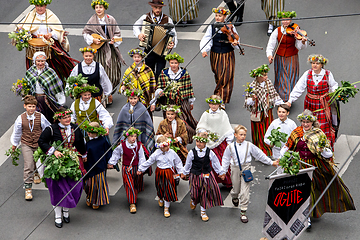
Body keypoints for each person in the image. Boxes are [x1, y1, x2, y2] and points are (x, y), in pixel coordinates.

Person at [280, 110, 355, 228]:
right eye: (303, 122)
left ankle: (307, 217)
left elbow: (328, 154)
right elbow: (288, 146)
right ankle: (299, 213)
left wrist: (323, 150)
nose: (305, 124)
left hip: (314, 166)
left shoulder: (318, 134)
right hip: (298, 166)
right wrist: (283, 154)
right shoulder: (296, 132)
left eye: (308, 122)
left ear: (312, 122)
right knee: (299, 191)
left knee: (310, 191)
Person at [38, 107, 87, 228]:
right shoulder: (51, 129)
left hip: (72, 161)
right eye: (65, 117)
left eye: (69, 117)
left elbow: (80, 142)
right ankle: (58, 215)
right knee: (58, 190)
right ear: (59, 118)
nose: (68, 119)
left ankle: (66, 210)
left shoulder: (75, 128)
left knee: (74, 187)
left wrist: (84, 154)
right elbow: (42, 141)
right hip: (57, 163)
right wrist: (53, 151)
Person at [222, 125, 279, 223]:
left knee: (245, 190)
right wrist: (223, 171)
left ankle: (243, 211)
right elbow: (226, 159)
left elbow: (259, 154)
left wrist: (270, 162)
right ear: (235, 135)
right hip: (235, 168)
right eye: (240, 134)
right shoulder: (231, 147)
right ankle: (234, 196)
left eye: (244, 135)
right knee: (235, 188)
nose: (243, 137)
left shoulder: (249, 145)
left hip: (246, 168)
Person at [286, 54, 338, 148]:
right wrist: (290, 100)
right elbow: (299, 88)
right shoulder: (307, 74)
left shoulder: (327, 74)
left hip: (323, 104)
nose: (314, 65)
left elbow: (334, 85)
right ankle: (309, 147)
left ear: (322, 65)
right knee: (308, 124)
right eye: (313, 63)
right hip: (310, 104)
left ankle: (325, 148)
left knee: (322, 125)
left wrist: (335, 92)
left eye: (317, 63)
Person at [20, 0, 78, 82]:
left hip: (48, 46)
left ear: (46, 5)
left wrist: (50, 34)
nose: (39, 8)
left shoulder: (51, 16)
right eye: (37, 6)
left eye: (42, 6)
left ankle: (64, 83)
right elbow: (22, 27)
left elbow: (59, 30)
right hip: (34, 48)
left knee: (58, 65)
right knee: (33, 69)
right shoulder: (30, 15)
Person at [83, 0, 126, 104]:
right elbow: (85, 32)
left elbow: (117, 33)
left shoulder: (110, 19)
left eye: (100, 7)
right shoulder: (92, 20)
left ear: (104, 8)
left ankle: (110, 92)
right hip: (98, 51)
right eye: (97, 7)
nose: (98, 9)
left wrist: (113, 39)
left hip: (110, 49)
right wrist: (93, 40)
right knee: (100, 73)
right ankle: (103, 95)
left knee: (113, 73)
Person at [10, 95, 50, 201]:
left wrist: (48, 141)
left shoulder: (40, 116)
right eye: (29, 106)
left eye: (33, 106)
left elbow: (47, 128)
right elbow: (17, 132)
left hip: (38, 143)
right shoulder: (20, 118)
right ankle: (28, 188)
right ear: (25, 106)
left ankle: (36, 173)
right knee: (28, 164)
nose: (31, 109)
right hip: (26, 143)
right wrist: (14, 144)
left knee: (38, 161)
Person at [181, 132, 225, 222]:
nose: (199, 144)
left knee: (205, 193)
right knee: (195, 193)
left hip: (206, 175)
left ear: (205, 143)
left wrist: (220, 172)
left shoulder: (210, 152)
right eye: (197, 141)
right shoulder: (192, 153)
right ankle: (193, 200)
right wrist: (184, 173)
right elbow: (188, 164)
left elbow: (216, 163)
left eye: (201, 142)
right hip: (195, 175)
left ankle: (203, 212)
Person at [137, 136, 184, 218]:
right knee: (160, 187)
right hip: (160, 173)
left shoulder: (172, 152)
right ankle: (160, 197)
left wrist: (181, 172)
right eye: (166, 146)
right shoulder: (156, 154)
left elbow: (178, 162)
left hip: (169, 173)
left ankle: (166, 208)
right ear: (161, 147)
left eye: (168, 145)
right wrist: (141, 169)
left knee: (168, 189)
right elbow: (149, 162)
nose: (168, 147)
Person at [200, 7, 239, 105]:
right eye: (216, 16)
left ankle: (221, 100)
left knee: (226, 77)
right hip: (215, 54)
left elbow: (235, 37)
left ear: (224, 17)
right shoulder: (211, 27)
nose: (217, 18)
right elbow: (207, 39)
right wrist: (204, 50)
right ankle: (219, 94)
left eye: (220, 16)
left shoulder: (230, 26)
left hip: (227, 54)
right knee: (218, 75)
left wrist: (235, 42)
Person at [266, 10, 307, 101]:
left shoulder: (296, 30)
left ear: (290, 20)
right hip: (279, 57)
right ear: (281, 20)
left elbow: (300, 47)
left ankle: (289, 98)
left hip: (292, 57)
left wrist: (303, 42)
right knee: (281, 77)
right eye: (284, 20)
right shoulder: (277, 31)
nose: (285, 22)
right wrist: (269, 55)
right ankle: (281, 98)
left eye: (288, 20)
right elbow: (271, 45)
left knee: (291, 77)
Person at [244, 64, 284, 156]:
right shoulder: (252, 86)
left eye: (266, 75)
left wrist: (281, 104)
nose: (266, 77)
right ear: (259, 76)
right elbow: (247, 102)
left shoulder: (268, 83)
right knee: (258, 130)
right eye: (264, 75)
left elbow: (273, 94)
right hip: (258, 112)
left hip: (267, 111)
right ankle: (259, 148)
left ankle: (268, 146)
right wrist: (253, 99)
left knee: (268, 128)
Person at [158, 52, 197, 142]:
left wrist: (191, 102)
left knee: (182, 121)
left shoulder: (184, 73)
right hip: (168, 101)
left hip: (181, 102)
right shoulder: (164, 73)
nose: (173, 65)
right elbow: (159, 86)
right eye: (172, 63)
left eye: (175, 63)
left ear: (178, 63)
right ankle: (170, 139)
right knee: (169, 121)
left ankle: (185, 137)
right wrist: (159, 92)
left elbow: (189, 88)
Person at [133, 0, 178, 79]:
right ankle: (151, 90)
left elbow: (173, 33)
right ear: (152, 7)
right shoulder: (145, 17)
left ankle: (158, 90)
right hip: (149, 50)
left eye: (160, 8)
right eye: (156, 8)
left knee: (160, 74)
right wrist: (139, 34)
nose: (158, 10)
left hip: (161, 52)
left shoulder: (167, 19)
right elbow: (136, 26)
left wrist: (172, 43)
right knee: (149, 72)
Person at [196, 95, 234, 188]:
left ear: (219, 105)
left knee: (223, 161)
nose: (213, 106)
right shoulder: (206, 114)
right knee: (210, 162)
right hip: (209, 142)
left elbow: (226, 127)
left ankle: (227, 181)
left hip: (220, 142)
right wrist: (203, 131)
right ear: (209, 104)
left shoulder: (222, 114)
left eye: (216, 104)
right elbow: (201, 126)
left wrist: (229, 141)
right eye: (212, 104)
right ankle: (212, 181)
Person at [108, 127, 146, 213]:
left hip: (136, 168)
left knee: (136, 183)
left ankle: (134, 194)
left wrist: (141, 168)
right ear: (127, 136)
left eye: (135, 136)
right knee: (129, 185)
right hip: (126, 168)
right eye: (131, 136)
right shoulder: (122, 146)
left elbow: (142, 157)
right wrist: (112, 163)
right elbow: (116, 154)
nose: (133, 138)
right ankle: (132, 203)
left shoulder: (139, 146)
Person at [25, 51, 65, 124]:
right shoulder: (30, 71)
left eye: (42, 61)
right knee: (38, 117)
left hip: (47, 98)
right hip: (35, 98)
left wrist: (60, 98)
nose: (40, 63)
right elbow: (27, 85)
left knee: (50, 115)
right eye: (38, 61)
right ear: (35, 61)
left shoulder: (50, 72)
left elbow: (57, 85)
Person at [113, 89, 155, 155]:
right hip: (127, 136)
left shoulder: (142, 108)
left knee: (138, 154)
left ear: (138, 98)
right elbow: (120, 124)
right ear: (128, 98)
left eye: (135, 98)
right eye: (131, 98)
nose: (133, 101)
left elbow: (147, 124)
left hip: (139, 136)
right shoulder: (124, 108)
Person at [83, 121, 112, 210]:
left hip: (99, 166)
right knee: (88, 184)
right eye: (87, 131)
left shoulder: (102, 140)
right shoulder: (86, 140)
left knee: (97, 185)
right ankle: (89, 196)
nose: (88, 133)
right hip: (88, 166)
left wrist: (109, 162)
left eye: (90, 132)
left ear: (96, 132)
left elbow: (108, 152)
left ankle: (95, 201)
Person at [120, 48, 156, 115]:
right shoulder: (129, 70)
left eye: (138, 57)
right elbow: (123, 85)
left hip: (145, 100)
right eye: (135, 57)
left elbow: (153, 88)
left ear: (142, 57)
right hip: (132, 101)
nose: (137, 59)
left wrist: (153, 103)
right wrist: (123, 88)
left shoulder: (148, 70)